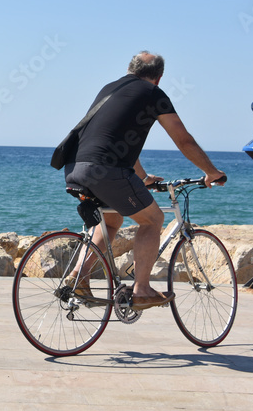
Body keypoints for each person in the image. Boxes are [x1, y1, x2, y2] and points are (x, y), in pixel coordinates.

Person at [64, 51, 226, 310]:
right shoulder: (153, 94)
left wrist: (142, 177)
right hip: (108, 170)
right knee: (153, 220)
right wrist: (211, 172)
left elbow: (115, 138)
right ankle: (141, 290)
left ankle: (78, 277)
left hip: (77, 168)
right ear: (159, 78)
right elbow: (183, 139)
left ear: (130, 69)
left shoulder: (109, 89)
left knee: (112, 219)